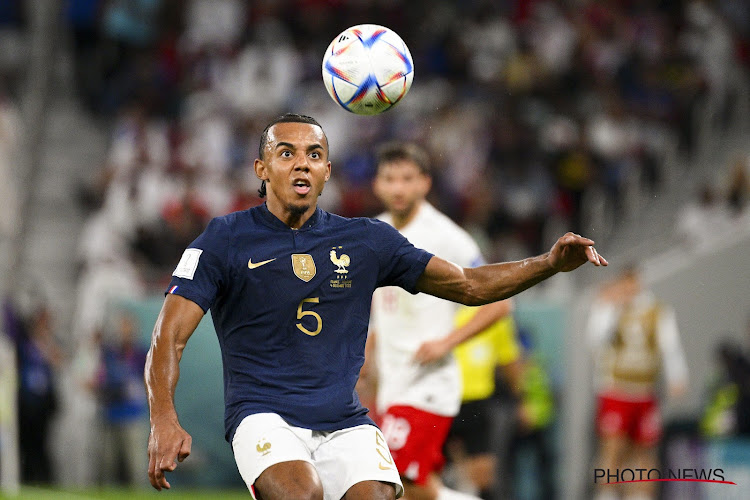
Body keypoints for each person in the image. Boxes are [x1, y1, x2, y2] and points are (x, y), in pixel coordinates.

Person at [144, 113, 607, 500]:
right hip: (262, 414)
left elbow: (468, 284)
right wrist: (164, 418)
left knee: (382, 495)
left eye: (315, 155)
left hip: (344, 418)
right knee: (302, 493)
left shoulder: (366, 240)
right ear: (261, 168)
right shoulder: (224, 238)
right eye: (286, 153)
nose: (301, 164)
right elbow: (170, 334)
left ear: (328, 171)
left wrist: (548, 263)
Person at [362, 141, 514, 500]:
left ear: (424, 183)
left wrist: (447, 342)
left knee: (387, 484)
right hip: (393, 384)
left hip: (429, 386)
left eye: (407, 179)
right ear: (377, 185)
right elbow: (382, 308)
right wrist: (366, 357)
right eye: (390, 179)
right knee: (415, 489)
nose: (398, 188)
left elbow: (501, 302)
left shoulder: (447, 237)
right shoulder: (373, 233)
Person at [587, 266, 687, 500]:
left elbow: (669, 344)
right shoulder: (609, 306)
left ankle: (640, 495)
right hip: (615, 389)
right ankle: (607, 494)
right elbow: (594, 339)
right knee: (613, 448)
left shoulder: (655, 310)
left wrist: (677, 375)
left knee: (644, 449)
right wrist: (610, 308)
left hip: (644, 391)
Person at [441, 303, 523, 500]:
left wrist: (520, 399)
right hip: (440, 401)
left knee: (484, 475)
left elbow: (509, 360)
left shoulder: (494, 313)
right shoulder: (437, 308)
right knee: (430, 474)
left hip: (476, 403)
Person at [96, 312, 149, 487]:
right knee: (108, 463)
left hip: (132, 414)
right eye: (122, 328)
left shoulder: (141, 354)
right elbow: (101, 379)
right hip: (111, 413)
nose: (124, 332)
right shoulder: (110, 354)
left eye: (127, 328)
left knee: (135, 465)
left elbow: (147, 381)